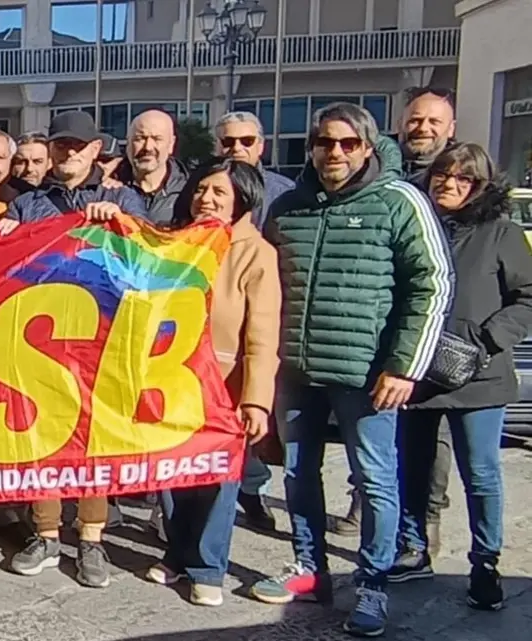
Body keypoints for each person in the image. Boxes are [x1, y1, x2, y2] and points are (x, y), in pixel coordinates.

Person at [250, 103, 453, 638]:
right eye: (323, 143)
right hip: (296, 370)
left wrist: (404, 366)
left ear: (366, 147)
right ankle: (309, 568)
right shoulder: (289, 207)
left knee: (375, 479)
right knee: (297, 474)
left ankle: (372, 584)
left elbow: (432, 286)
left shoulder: (398, 201)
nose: (333, 152)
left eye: (346, 143)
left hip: (368, 376)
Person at [392, 142, 532, 612]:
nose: (449, 184)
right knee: (414, 468)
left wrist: (487, 341)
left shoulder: (501, 233)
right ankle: (414, 550)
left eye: (462, 179)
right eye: (442, 175)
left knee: (482, 473)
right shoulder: (416, 226)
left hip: (480, 377)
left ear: (480, 185)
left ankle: (485, 564)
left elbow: (527, 298)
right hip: (418, 373)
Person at [147, 157, 280, 607]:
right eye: (202, 190)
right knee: (170, 475)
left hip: (223, 386)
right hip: (169, 380)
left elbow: (262, 335)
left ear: (242, 200)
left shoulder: (254, 253)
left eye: (219, 193)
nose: (207, 200)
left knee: (216, 480)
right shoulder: (173, 240)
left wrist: (256, 400)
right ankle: (177, 554)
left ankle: (207, 567)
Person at [212, 111, 296, 532]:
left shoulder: (283, 193)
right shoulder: (210, 185)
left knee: (256, 417)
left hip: (264, 305)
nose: (237, 149)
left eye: (246, 141)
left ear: (261, 145)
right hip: (219, 321)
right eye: (228, 142)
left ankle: (254, 493)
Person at [394, 86, 459, 555]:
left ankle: (426, 517)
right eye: (417, 120)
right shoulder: (389, 177)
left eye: (434, 122)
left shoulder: (457, 181)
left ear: (450, 129)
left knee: (430, 437)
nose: (424, 129)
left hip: (438, 333)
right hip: (386, 325)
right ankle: (368, 499)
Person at [1, 111, 147, 228]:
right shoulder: (24, 205)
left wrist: (122, 220)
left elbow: (149, 248)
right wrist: (11, 236)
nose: (70, 152)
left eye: (78, 145)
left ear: (96, 148)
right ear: (49, 149)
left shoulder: (121, 197)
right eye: (61, 145)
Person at [119, 109, 187, 225]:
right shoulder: (107, 189)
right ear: (128, 143)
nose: (148, 147)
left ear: (171, 144)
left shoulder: (188, 193)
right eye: (140, 138)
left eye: (157, 139)